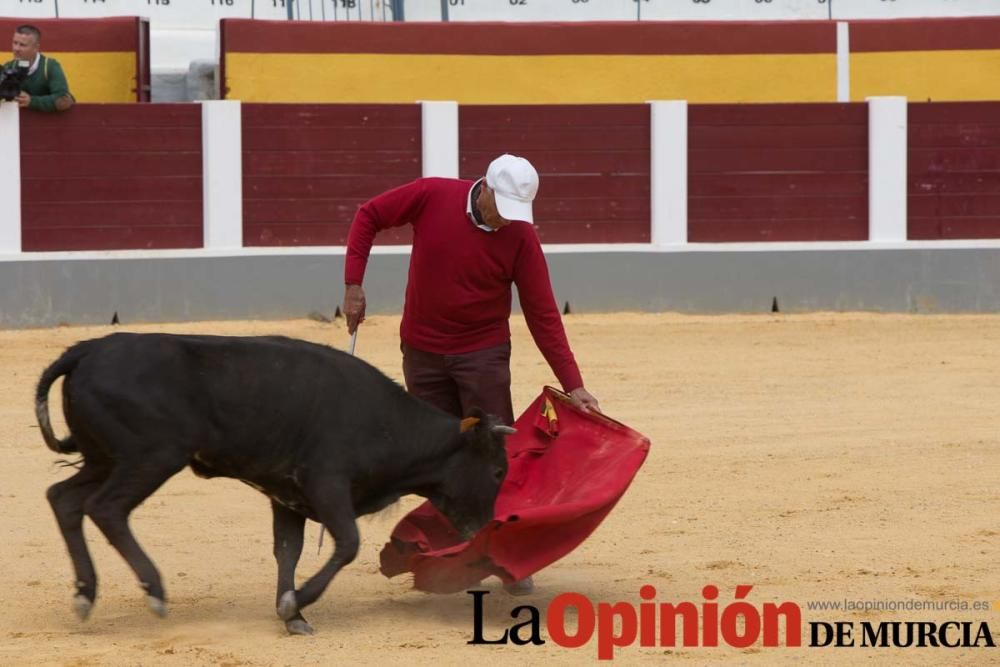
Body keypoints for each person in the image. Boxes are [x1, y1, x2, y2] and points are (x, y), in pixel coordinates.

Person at [343, 154, 600, 595]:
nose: (507, 221)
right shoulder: (432, 195)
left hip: (482, 354)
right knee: (438, 453)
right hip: (422, 352)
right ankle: (452, 554)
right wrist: (353, 283)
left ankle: (505, 557)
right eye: (502, 208)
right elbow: (369, 215)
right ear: (484, 190)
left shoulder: (519, 235)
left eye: (516, 213)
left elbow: (542, 313)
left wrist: (573, 382)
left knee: (494, 456)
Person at [7, 24, 74, 112]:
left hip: (52, 123)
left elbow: (64, 100)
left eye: (22, 45)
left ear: (36, 47)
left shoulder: (50, 66)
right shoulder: (9, 67)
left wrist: (32, 101)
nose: (16, 48)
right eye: (15, 43)